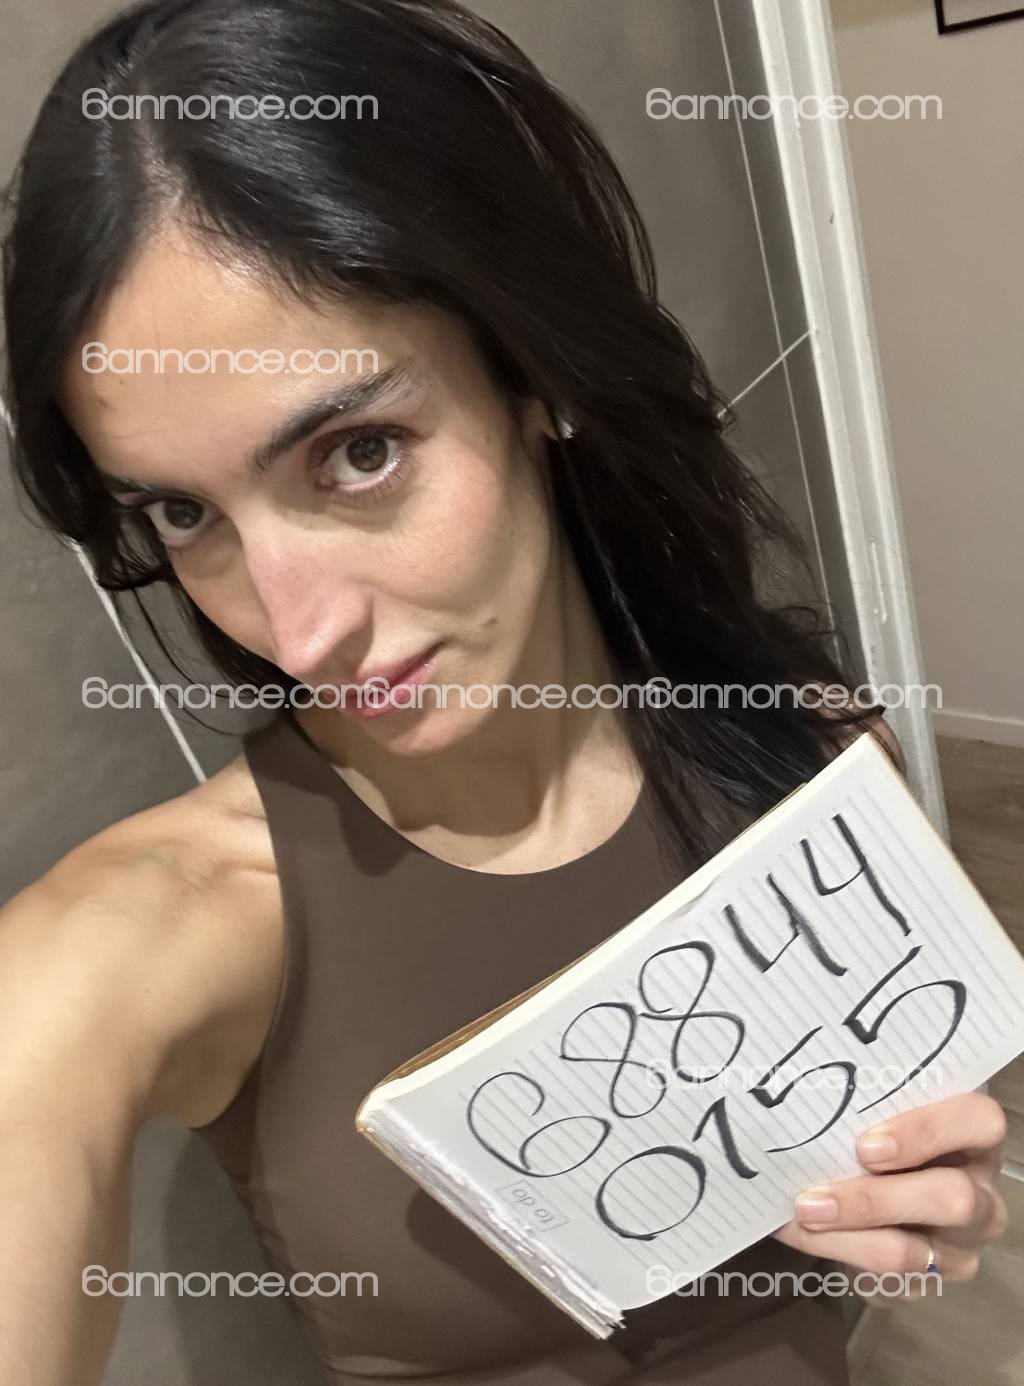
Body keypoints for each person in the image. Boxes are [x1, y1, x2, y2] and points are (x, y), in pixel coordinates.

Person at [0, 0, 1008, 1383]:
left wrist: (925, 1196)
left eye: (358, 452)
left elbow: (913, 1191)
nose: (298, 631)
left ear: (534, 373)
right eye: (184, 513)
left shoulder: (814, 765)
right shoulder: (158, 932)